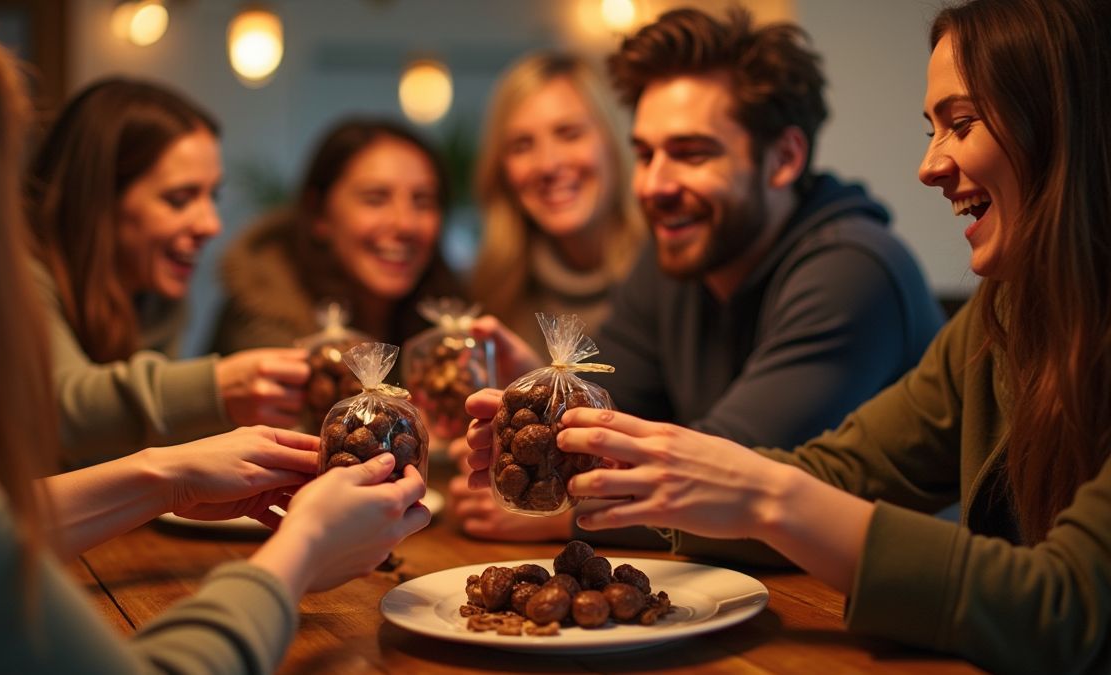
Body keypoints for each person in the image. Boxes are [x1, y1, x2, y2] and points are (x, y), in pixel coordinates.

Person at [466, 0, 1111, 670]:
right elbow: (844, 470)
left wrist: (760, 495)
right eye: (645, 153)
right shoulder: (1000, 314)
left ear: (1066, 126)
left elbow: (1064, 609)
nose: (930, 165)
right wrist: (553, 445)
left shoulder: (853, 270)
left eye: (962, 122)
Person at [0, 1, 430, 672]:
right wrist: (300, 548)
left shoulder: (149, 305)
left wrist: (171, 475)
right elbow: (61, 405)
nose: (212, 223)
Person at [450, 6, 944, 543]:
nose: (653, 186)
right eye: (644, 154)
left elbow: (725, 475)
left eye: (690, 153)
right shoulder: (674, 260)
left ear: (783, 158)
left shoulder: (854, 272)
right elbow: (620, 417)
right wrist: (553, 404)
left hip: (873, 614)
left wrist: (564, 513)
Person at [26, 78, 313, 466]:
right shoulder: (14, 271)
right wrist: (218, 387)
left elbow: (135, 449)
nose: (211, 225)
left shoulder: (155, 294)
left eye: (212, 196)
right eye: (179, 199)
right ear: (97, 200)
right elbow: (57, 410)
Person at [211, 117, 462, 354]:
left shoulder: (452, 328)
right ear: (319, 214)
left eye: (423, 201)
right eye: (375, 199)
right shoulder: (263, 328)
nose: (405, 223)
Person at [469, 51, 645, 357]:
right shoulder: (491, 295)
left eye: (569, 134)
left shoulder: (669, 274)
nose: (548, 164)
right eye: (522, 145)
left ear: (614, 143)